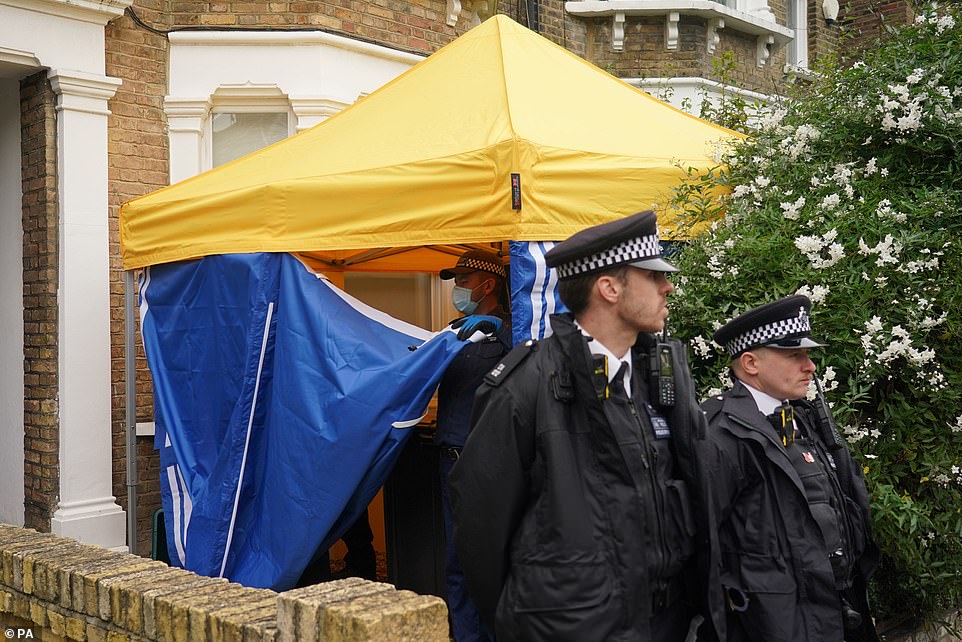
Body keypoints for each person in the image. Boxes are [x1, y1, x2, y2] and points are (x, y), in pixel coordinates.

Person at [449, 211, 717, 641]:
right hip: (570, 628)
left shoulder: (662, 376)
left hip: (665, 624)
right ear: (609, 288)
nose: (668, 287)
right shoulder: (526, 386)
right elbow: (482, 532)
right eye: (653, 277)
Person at [701, 295, 879, 642]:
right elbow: (705, 549)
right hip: (774, 625)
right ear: (751, 363)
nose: (810, 365)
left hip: (836, 611)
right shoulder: (720, 434)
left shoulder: (803, 418)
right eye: (794, 355)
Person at [436, 248, 512, 642]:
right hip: (450, 462)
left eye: (464, 281)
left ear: (488, 284)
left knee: (490, 563)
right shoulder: (456, 330)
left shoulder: (511, 331)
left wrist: (500, 330)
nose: (458, 289)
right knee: (457, 564)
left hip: (488, 465)